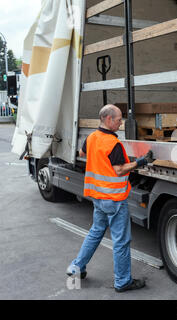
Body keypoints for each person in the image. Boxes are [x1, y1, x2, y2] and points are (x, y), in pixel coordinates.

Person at [66, 104, 153, 292]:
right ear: (107, 119)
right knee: (121, 241)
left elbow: (83, 153)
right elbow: (120, 169)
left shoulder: (91, 137)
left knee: (96, 231)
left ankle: (76, 266)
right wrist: (140, 162)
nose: (120, 123)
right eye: (118, 119)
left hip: (97, 196)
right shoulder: (113, 143)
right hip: (113, 199)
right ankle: (123, 281)